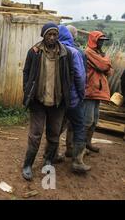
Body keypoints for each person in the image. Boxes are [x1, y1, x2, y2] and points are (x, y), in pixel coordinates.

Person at [21, 23, 73, 181]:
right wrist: (27, 90)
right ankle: (27, 165)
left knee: (54, 135)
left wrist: (66, 92)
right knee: (35, 134)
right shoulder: (34, 51)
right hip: (38, 101)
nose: (52, 37)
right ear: (43, 35)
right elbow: (26, 72)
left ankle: (48, 161)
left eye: (54, 35)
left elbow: (69, 73)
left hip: (57, 102)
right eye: (49, 35)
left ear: (58, 36)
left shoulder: (65, 53)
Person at [55, 25, 90, 173]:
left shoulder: (52, 51)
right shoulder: (76, 52)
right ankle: (77, 161)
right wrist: (81, 94)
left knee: (56, 126)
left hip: (56, 98)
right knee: (79, 126)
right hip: (73, 99)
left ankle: (52, 155)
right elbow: (80, 77)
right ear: (71, 36)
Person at [84, 31, 113, 153]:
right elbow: (103, 66)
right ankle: (80, 147)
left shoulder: (98, 53)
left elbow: (109, 71)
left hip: (97, 91)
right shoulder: (88, 52)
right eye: (99, 40)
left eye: (103, 41)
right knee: (87, 121)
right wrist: (106, 61)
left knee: (94, 120)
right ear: (93, 40)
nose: (101, 42)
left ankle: (88, 143)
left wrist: (106, 63)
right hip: (90, 91)